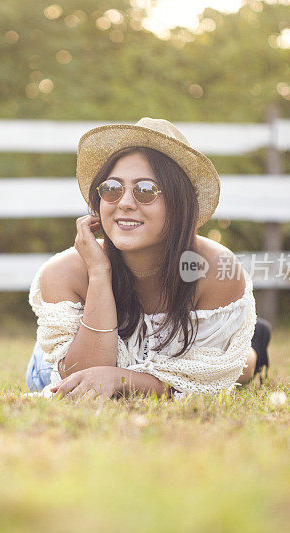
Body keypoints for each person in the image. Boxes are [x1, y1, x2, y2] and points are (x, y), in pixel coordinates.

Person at [25, 118, 272, 400]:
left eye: (145, 190)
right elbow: (83, 381)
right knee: (42, 377)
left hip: (184, 349)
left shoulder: (215, 269)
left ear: (179, 203)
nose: (125, 202)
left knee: (238, 367)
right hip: (66, 353)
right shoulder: (63, 272)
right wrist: (99, 273)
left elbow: (206, 382)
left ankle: (255, 341)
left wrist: (121, 379)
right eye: (112, 188)